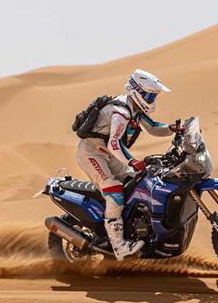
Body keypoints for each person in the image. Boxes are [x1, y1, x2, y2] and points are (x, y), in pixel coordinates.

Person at [75, 69, 179, 260]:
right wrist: (132, 161)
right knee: (115, 193)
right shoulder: (121, 112)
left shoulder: (134, 109)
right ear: (136, 91)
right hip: (91, 153)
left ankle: (134, 228)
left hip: (107, 154)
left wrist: (174, 129)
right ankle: (119, 246)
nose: (151, 100)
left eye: (153, 96)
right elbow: (114, 144)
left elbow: (153, 128)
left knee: (138, 181)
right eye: (149, 95)